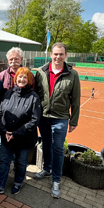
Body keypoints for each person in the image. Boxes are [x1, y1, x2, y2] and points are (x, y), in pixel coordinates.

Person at [34, 42, 80, 199]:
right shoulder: (40, 72)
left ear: (65, 55)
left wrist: (73, 120)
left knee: (58, 148)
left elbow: (75, 100)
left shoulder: (72, 74)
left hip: (60, 117)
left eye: (61, 54)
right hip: (43, 116)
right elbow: (35, 94)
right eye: (55, 54)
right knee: (45, 144)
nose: (58, 57)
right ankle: (47, 169)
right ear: (51, 55)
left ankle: (56, 180)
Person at [0, 67, 41, 195]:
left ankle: (18, 183)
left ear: (29, 80)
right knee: (4, 161)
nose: (22, 79)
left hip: (23, 138)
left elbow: (34, 120)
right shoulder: (8, 93)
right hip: (6, 136)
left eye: (25, 77)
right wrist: (4, 130)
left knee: (21, 163)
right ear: (16, 78)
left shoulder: (34, 97)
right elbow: (0, 112)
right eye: (20, 77)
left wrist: (15, 133)